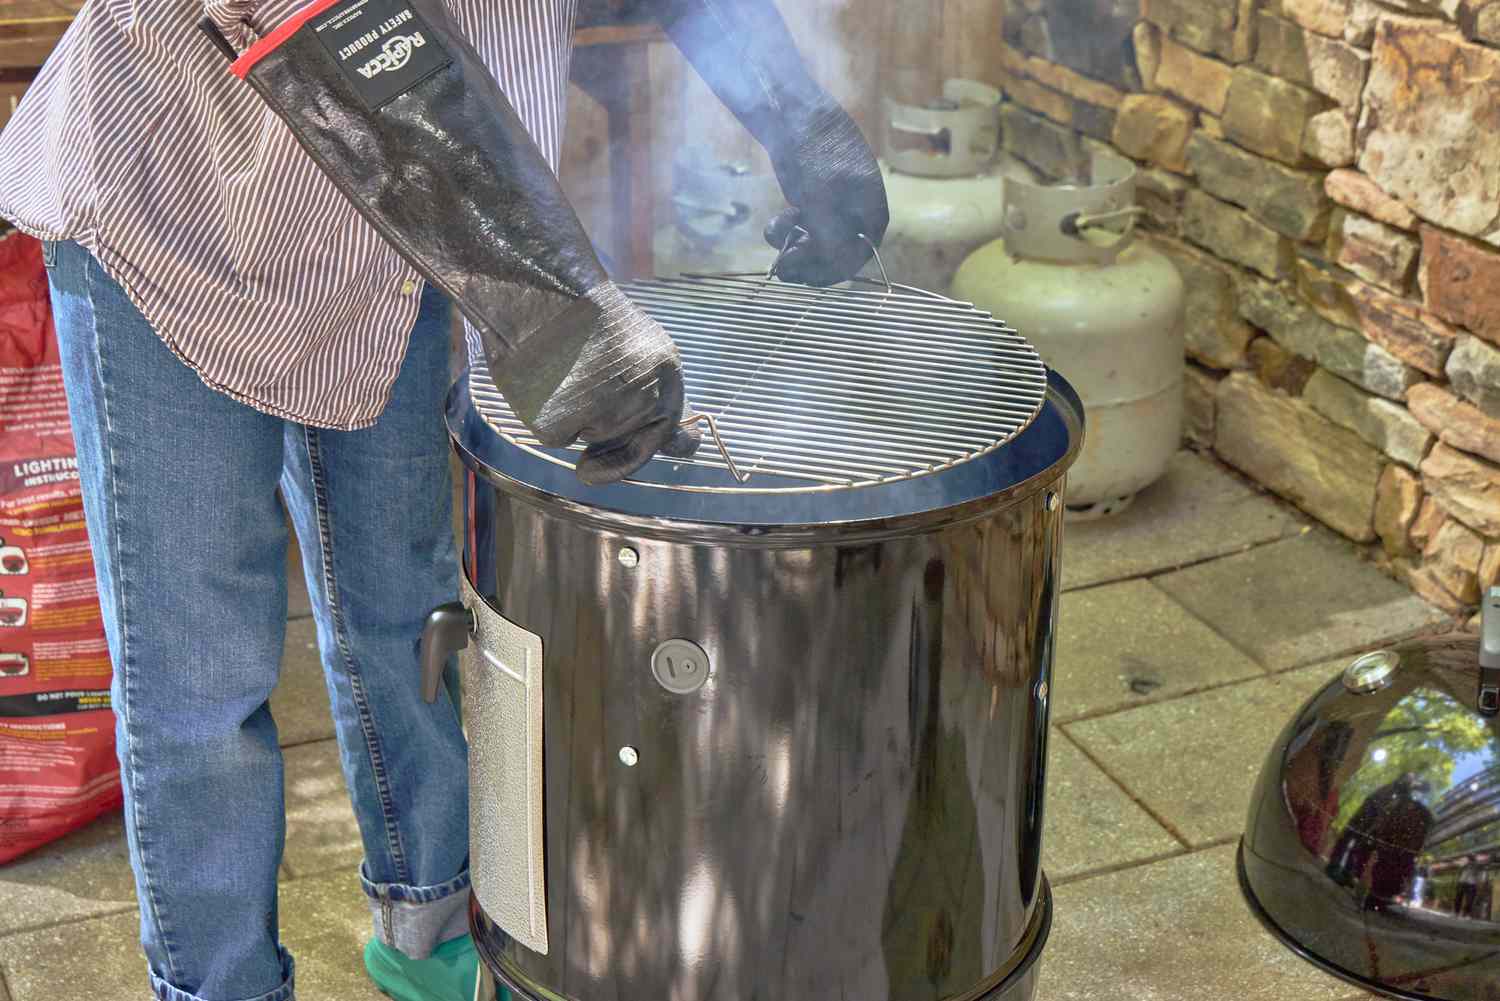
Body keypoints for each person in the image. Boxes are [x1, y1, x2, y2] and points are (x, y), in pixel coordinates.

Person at [0, 0, 888, 997]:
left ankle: (430, 924)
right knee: (199, 680)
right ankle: (221, 983)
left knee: (404, 607)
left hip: (402, 245)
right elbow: (344, 29)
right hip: (179, 214)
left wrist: (796, 112)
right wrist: (558, 308)